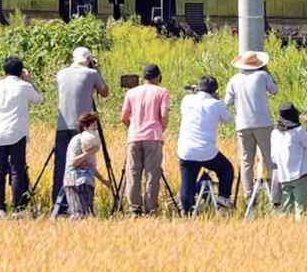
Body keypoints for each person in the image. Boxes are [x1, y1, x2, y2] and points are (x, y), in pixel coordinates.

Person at [53, 47, 109, 213]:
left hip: (62, 127)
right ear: (89, 59)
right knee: (84, 163)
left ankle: (60, 204)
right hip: (82, 128)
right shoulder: (90, 74)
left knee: (62, 164)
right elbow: (105, 92)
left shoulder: (61, 73)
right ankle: (81, 204)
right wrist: (97, 69)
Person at [0, 56, 43, 216]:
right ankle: (17, 207)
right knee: (17, 170)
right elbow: (39, 99)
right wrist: (30, 80)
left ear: (4, 70)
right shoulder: (24, 86)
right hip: (17, 132)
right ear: (21, 71)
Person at [224, 50, 278, 202]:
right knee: (270, 158)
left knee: (246, 160)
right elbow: (275, 90)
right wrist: (267, 71)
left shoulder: (234, 79)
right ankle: (276, 195)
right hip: (263, 123)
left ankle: (248, 195)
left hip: (242, 124)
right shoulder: (262, 75)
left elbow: (227, 101)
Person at [178, 75, 235, 214]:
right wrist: (218, 100)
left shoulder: (186, 100)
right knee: (227, 170)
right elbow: (228, 120)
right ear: (214, 90)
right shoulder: (216, 104)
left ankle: (187, 211)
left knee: (187, 184)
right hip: (207, 152)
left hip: (186, 150)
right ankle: (223, 199)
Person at [121, 63, 170, 215]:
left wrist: (132, 127)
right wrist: (161, 128)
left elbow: (124, 117)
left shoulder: (131, 92)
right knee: (152, 174)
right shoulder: (162, 92)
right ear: (158, 78)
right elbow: (164, 115)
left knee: (133, 173)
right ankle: (151, 209)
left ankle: (135, 208)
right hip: (153, 137)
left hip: (134, 137)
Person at [269, 102, 307, 218]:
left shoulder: (274, 133)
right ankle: (300, 233)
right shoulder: (298, 131)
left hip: (283, 177)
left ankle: (287, 233)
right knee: (300, 211)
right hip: (300, 175)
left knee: (286, 211)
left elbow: (273, 157)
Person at [62, 112, 110, 219]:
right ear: (85, 127)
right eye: (93, 126)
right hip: (75, 181)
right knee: (79, 214)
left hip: (87, 181)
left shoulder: (91, 142)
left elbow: (90, 166)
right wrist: (88, 153)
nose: (96, 129)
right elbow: (73, 162)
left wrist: (104, 181)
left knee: (86, 215)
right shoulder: (77, 140)